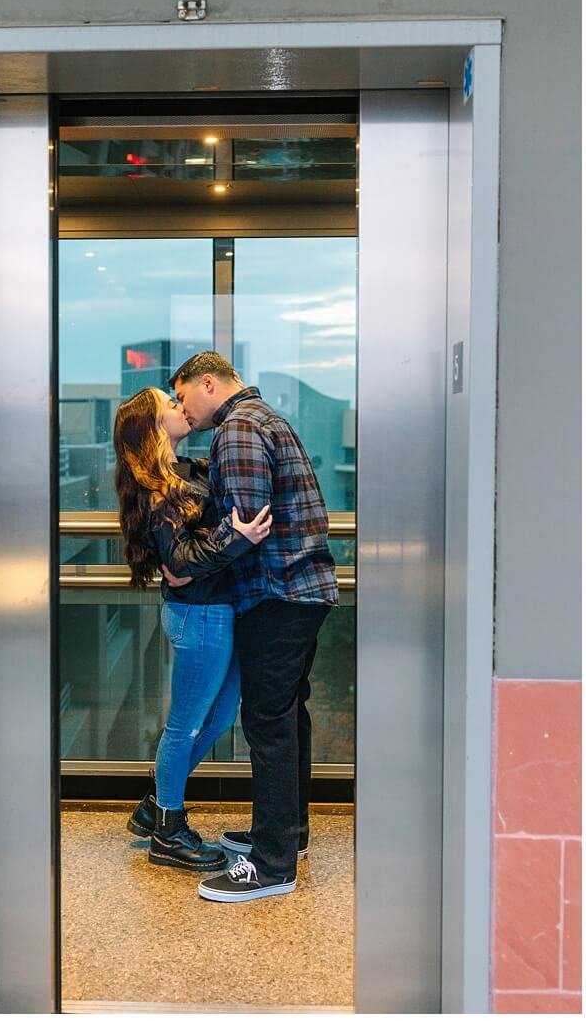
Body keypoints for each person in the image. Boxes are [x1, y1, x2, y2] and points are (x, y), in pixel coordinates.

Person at [167, 351, 340, 903]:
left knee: (266, 721)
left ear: (209, 383)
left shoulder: (238, 429)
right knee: (289, 716)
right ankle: (288, 836)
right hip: (302, 591)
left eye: (182, 396)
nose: (181, 408)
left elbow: (244, 525)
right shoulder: (266, 419)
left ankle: (270, 866)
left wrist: (187, 561)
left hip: (274, 591)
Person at [112, 387, 272, 870]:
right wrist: (235, 539)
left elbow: (185, 563)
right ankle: (169, 831)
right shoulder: (161, 487)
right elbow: (180, 564)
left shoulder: (184, 474)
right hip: (199, 613)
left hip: (214, 607)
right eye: (170, 404)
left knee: (221, 719)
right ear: (153, 427)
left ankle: (159, 798)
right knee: (184, 725)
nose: (180, 408)